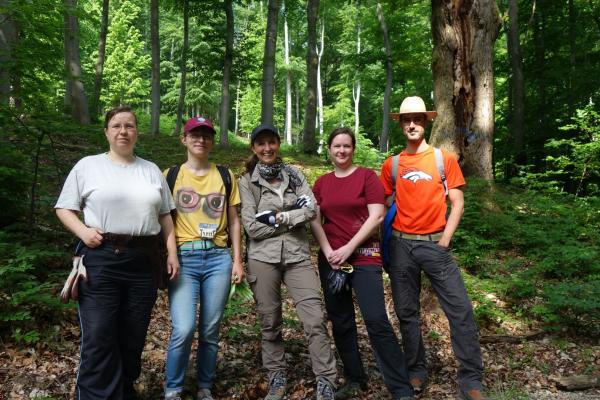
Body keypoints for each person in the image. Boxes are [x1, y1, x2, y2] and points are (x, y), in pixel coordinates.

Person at [55, 106, 179, 400]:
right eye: (116, 126)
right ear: (107, 132)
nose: (123, 131)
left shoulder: (150, 170)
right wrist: (84, 232)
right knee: (99, 334)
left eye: (130, 126)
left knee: (132, 336)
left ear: (137, 131)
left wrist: (171, 253)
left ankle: (122, 391)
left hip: (144, 262)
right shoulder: (88, 166)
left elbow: (165, 217)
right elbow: (64, 207)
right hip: (101, 259)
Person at [380, 96, 486, 400]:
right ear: (400, 124)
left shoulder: (444, 159)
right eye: (406, 120)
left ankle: (471, 382)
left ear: (426, 122)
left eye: (417, 119)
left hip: (435, 247)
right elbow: (383, 207)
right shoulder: (393, 164)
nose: (412, 124)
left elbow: (458, 202)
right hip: (400, 246)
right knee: (407, 313)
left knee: (461, 311)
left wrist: (445, 241)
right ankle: (415, 372)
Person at [310, 127, 415, 400]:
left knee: (376, 319)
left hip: (365, 256)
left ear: (353, 149)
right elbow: (313, 219)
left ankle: (401, 387)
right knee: (341, 321)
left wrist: (348, 248)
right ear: (329, 150)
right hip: (332, 261)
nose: (341, 151)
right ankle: (356, 378)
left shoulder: (367, 177)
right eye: (336, 146)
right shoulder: (321, 183)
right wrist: (329, 250)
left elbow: (377, 216)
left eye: (346, 146)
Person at [239, 124, 338, 400]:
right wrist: (292, 215)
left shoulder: (295, 176)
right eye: (261, 144)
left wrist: (278, 216)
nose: (267, 148)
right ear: (254, 148)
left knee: (315, 319)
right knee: (270, 322)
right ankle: (276, 377)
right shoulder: (247, 181)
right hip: (262, 259)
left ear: (278, 144)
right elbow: (252, 228)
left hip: (297, 257)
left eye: (271, 142)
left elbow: (312, 209)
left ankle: (326, 380)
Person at [164, 116, 243, 400]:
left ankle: (204, 386)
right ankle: (173, 388)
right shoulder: (170, 175)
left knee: (210, 328)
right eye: (194, 135)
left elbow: (234, 221)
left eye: (206, 135)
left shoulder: (225, 175)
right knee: (184, 328)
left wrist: (237, 260)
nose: (201, 140)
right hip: (184, 258)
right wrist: (170, 254)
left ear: (212, 140)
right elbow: (164, 220)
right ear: (184, 139)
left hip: (218, 259)